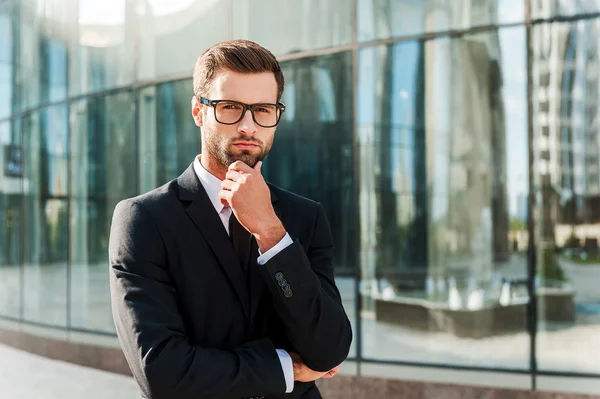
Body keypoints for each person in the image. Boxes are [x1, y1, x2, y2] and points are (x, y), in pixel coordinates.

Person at [108, 39, 352, 399]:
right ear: (198, 111)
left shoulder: (305, 217)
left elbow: (329, 349)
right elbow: (162, 372)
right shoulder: (143, 220)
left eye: (263, 110)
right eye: (230, 107)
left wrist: (271, 233)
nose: (248, 126)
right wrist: (286, 368)